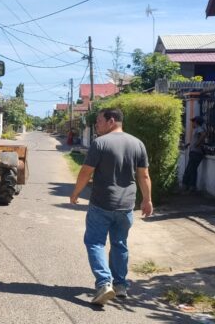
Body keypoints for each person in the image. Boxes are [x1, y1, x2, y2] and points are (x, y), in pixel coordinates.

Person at [69, 108, 153, 306]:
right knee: (119, 243)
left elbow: (86, 172)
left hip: (102, 203)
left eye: (99, 121)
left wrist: (75, 193)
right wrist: (147, 199)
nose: (96, 125)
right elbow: (144, 176)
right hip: (127, 206)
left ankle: (104, 283)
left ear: (111, 121)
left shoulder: (100, 143)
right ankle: (121, 286)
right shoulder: (138, 144)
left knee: (95, 242)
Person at [182, 116, 207, 192]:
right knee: (193, 170)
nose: (192, 123)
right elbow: (197, 138)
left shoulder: (199, 128)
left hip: (196, 153)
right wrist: (189, 144)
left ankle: (185, 186)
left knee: (189, 170)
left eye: (193, 121)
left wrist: (197, 144)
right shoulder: (196, 130)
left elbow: (203, 134)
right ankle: (192, 187)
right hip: (195, 152)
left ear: (196, 122)